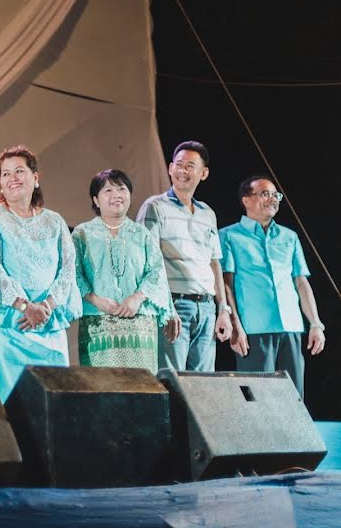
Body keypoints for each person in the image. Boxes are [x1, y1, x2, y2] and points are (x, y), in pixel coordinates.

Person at [0, 145, 81, 401]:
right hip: (5, 324)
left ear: (36, 178)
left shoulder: (54, 221)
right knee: (6, 402)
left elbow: (68, 269)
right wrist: (23, 305)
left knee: (54, 398)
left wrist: (46, 307)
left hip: (47, 323)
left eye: (19, 170)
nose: (12, 178)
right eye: (5, 173)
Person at [219, 176, 326, 398]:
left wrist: (316, 323)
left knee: (294, 397)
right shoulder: (229, 235)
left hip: (291, 327)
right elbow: (225, 284)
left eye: (275, 195)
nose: (272, 199)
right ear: (246, 200)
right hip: (254, 329)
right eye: (265, 193)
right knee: (258, 398)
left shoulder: (290, 236)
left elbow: (301, 282)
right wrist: (235, 325)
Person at [136, 141, 232, 372]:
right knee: (172, 380)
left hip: (207, 308)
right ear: (170, 168)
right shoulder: (154, 206)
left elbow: (214, 263)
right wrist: (166, 307)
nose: (183, 171)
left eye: (190, 166)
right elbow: (147, 260)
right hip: (174, 304)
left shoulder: (208, 213)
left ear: (204, 173)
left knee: (204, 385)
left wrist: (223, 310)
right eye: (179, 165)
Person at [72, 169, 175, 374]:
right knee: (102, 388)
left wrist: (137, 298)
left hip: (139, 325)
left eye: (122, 189)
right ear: (96, 199)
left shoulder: (143, 235)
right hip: (98, 324)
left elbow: (156, 272)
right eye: (108, 190)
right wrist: (95, 299)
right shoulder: (82, 234)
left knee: (141, 389)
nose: (116, 195)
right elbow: (73, 273)